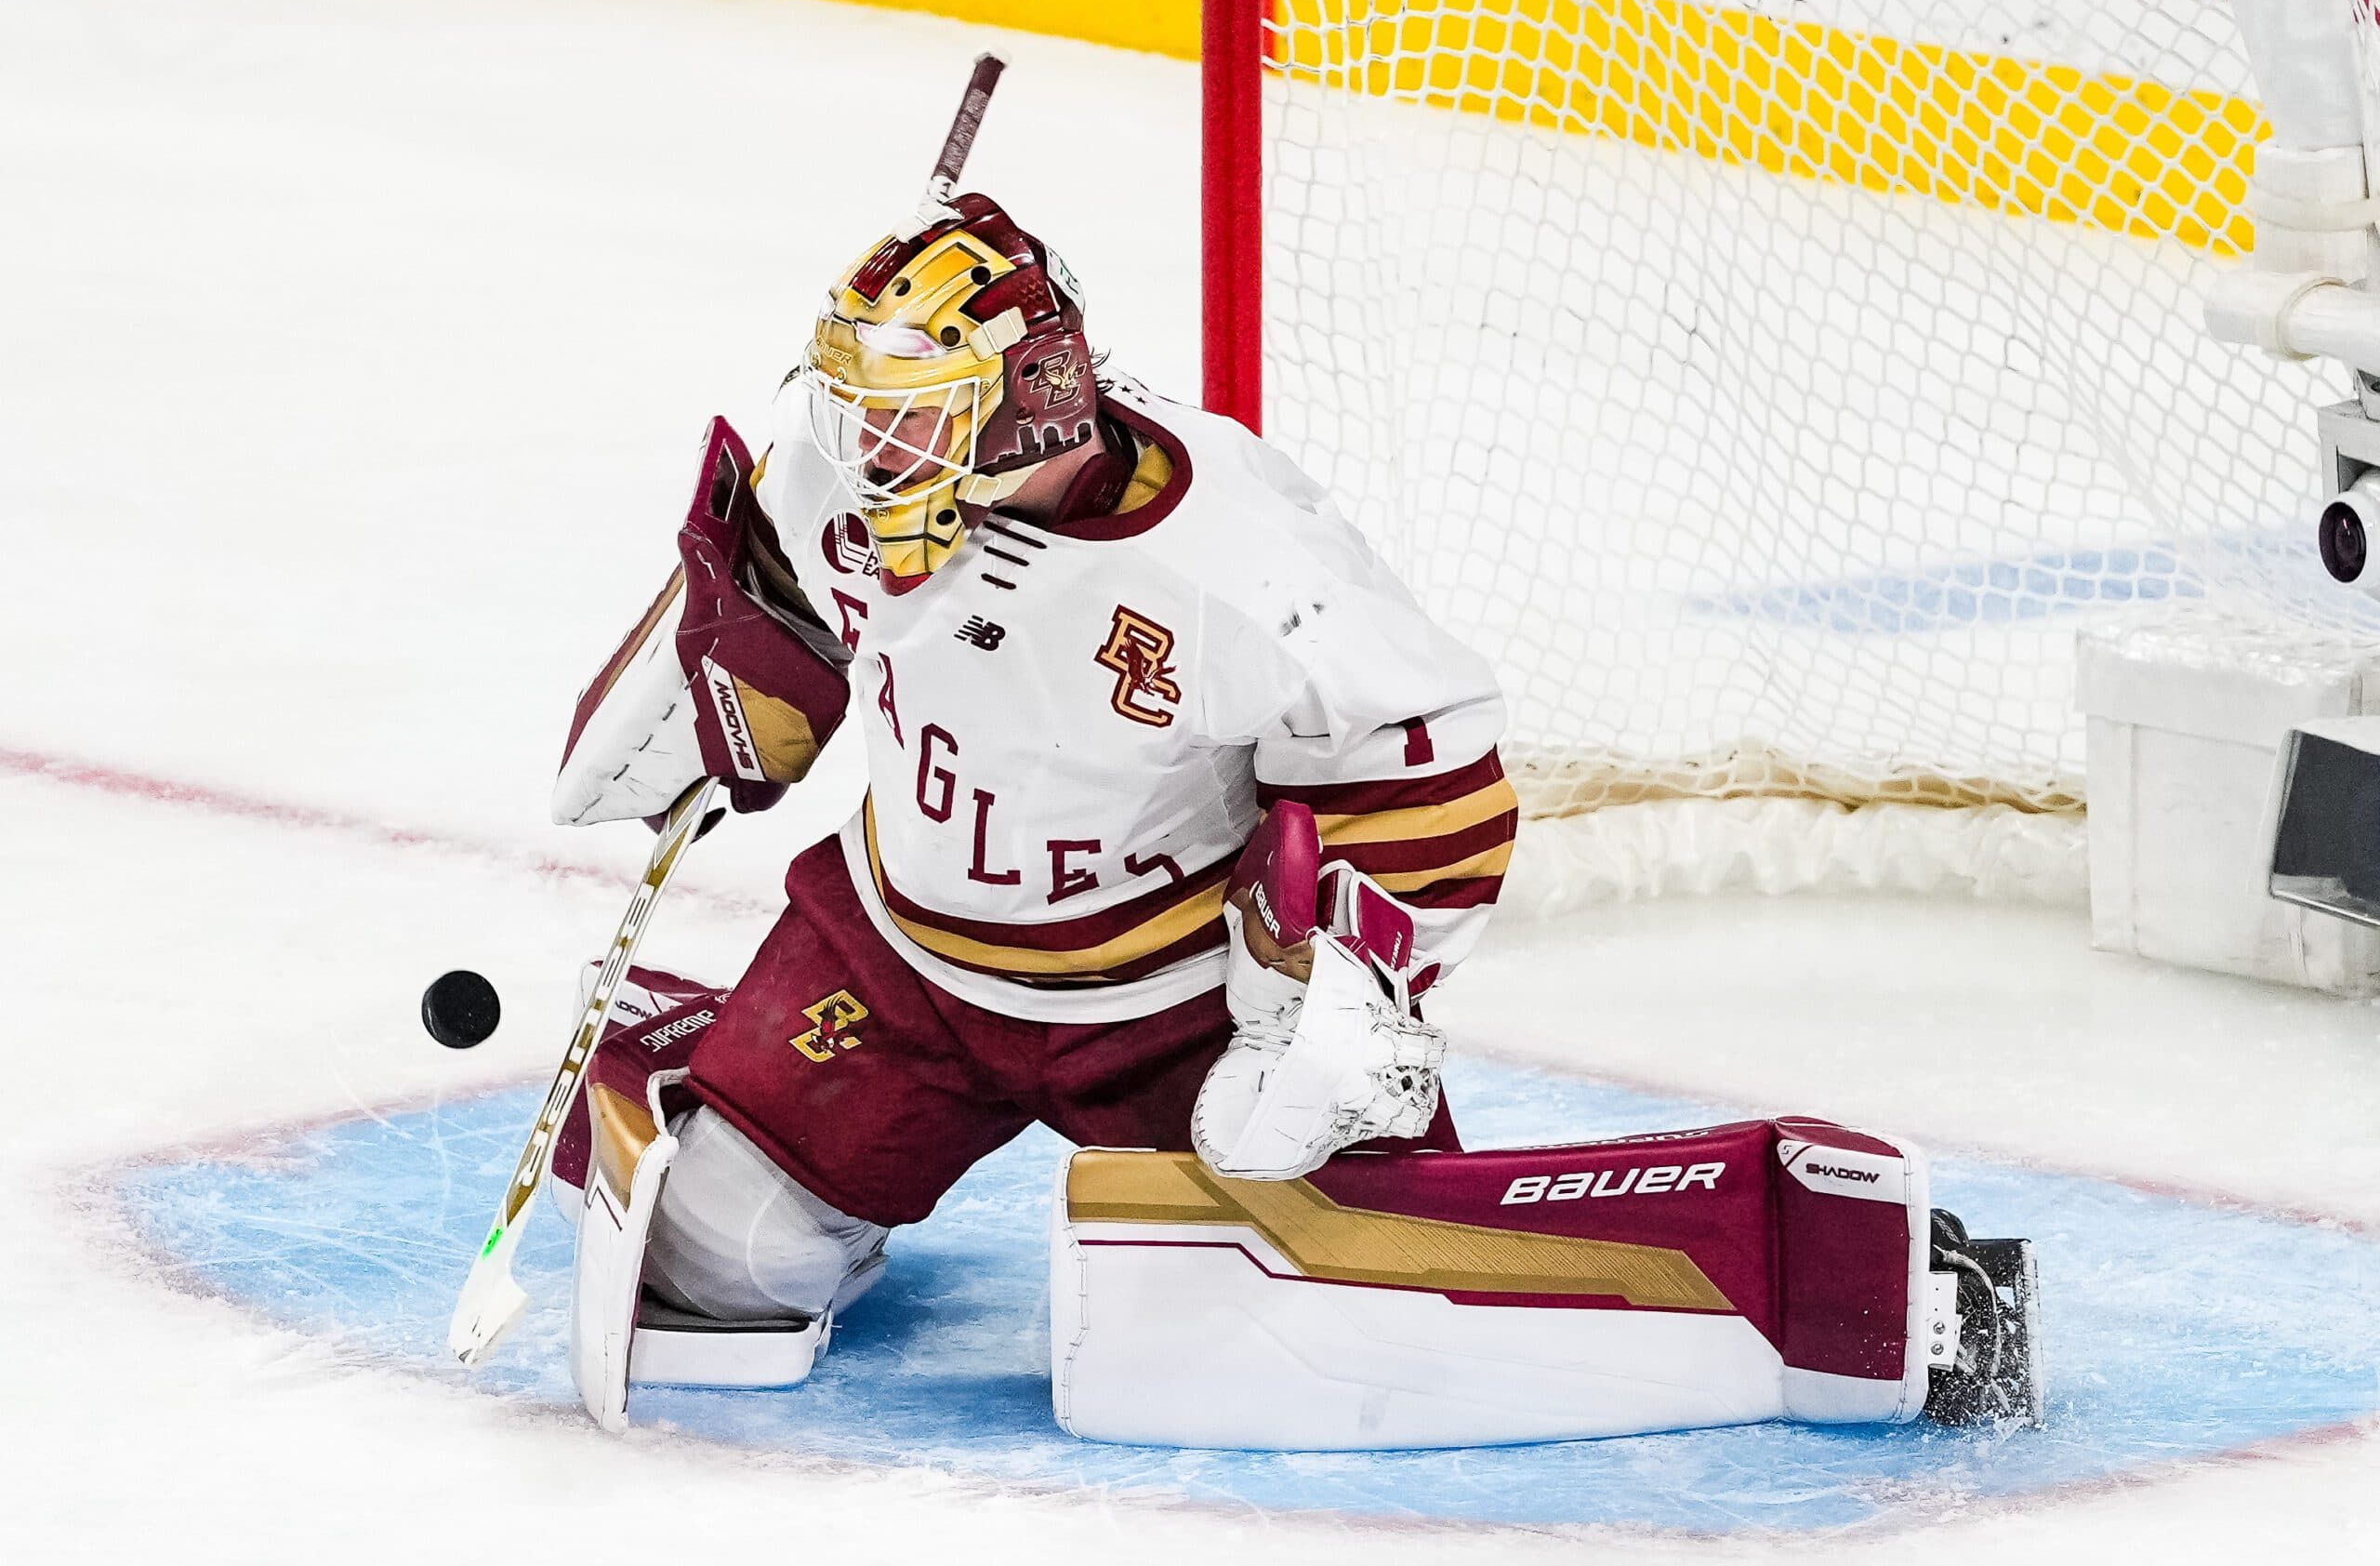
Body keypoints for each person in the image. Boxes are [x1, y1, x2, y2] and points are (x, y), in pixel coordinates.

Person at [543, 192, 2043, 1446]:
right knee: (716, 1260)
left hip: (1170, 1006)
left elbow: (1427, 777)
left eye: (916, 420)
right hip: (897, 961)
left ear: (1030, 408)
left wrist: (1318, 1008)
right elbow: (785, 617)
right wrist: (734, 666)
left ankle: (1857, 1285)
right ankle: (726, 1067)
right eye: (862, 414)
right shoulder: (844, 482)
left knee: (1284, 1312)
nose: (873, 457)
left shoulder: (1241, 560)